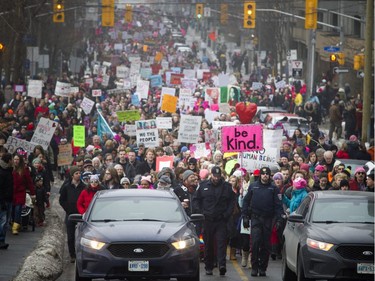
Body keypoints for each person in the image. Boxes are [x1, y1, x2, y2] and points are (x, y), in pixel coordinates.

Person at [192, 166, 236, 276]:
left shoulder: (227, 187)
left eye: (218, 176)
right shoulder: (203, 186)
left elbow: (232, 202)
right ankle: (209, 266)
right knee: (208, 245)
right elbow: (196, 200)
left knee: (221, 243)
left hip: (221, 219)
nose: (216, 178)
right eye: (214, 176)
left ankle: (222, 265)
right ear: (211, 175)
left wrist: (227, 214)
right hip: (207, 220)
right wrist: (201, 212)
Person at [241, 167, 283, 277]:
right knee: (255, 243)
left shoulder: (274, 188)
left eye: (267, 174)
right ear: (260, 175)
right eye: (263, 174)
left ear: (269, 176)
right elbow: (246, 201)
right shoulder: (253, 186)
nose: (265, 176)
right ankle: (254, 267)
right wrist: (245, 216)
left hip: (268, 219)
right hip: (255, 218)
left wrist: (279, 219)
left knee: (266, 244)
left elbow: (278, 206)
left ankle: (263, 267)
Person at [59, 166, 85, 263]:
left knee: (81, 236)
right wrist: (68, 209)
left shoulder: (83, 187)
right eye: (76, 173)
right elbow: (62, 200)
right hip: (70, 214)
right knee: (70, 237)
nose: (78, 175)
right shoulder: (67, 186)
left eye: (79, 173)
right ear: (72, 175)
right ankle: (72, 255)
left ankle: (81, 254)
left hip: (81, 215)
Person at [12, 153, 35, 234]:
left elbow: (29, 182)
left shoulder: (24, 170)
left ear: (20, 160)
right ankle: (13, 223)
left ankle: (15, 227)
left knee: (18, 209)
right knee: (12, 209)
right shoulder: (11, 168)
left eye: (17, 159)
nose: (16, 161)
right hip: (11, 192)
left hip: (20, 192)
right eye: (15, 159)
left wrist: (32, 193)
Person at [0, 153, 13, 249]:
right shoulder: (2, 172)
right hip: (3, 200)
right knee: (3, 221)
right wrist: (2, 201)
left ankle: (2, 240)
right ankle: (1, 240)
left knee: (6, 221)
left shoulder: (8, 171)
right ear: (9, 161)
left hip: (8, 199)